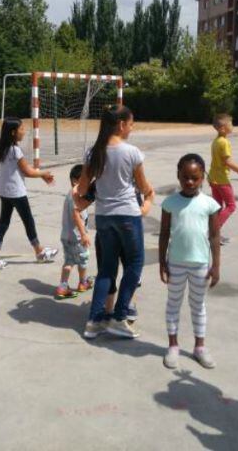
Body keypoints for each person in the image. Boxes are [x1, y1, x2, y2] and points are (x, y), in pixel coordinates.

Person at [76, 104, 154, 339]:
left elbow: (81, 188)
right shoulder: (131, 152)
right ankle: (120, 316)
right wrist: (149, 198)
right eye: (130, 124)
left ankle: (95, 320)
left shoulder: (93, 152)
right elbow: (143, 186)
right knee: (135, 263)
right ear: (121, 125)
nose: (132, 128)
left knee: (106, 270)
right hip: (128, 215)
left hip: (104, 217)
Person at [159, 154, 220, 370]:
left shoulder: (209, 204)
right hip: (175, 263)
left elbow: (214, 236)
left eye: (195, 178)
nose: (190, 182)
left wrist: (216, 266)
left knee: (198, 305)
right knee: (173, 304)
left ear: (203, 177)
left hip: (200, 265)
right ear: (178, 176)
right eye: (185, 177)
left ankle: (199, 347)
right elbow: (164, 234)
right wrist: (161, 262)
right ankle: (173, 346)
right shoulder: (169, 203)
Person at [0, 117, 58, 272]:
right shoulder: (15, 150)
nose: (24, 132)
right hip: (16, 193)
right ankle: (39, 252)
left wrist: (40, 174)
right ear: (13, 132)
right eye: (22, 129)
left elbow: (24, 170)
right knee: (28, 222)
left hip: (5, 192)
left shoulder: (4, 149)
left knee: (3, 223)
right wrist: (44, 173)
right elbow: (27, 171)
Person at [208, 113, 238, 244]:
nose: (232, 126)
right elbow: (228, 162)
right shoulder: (224, 142)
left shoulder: (216, 141)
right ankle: (213, 232)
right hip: (222, 180)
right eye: (230, 124)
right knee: (231, 206)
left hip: (213, 178)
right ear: (222, 128)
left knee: (217, 207)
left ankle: (214, 233)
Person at [56, 165, 92, 299]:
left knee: (69, 262)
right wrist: (83, 234)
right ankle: (83, 282)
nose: (87, 183)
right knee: (83, 260)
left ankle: (63, 286)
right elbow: (76, 217)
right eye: (85, 180)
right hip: (77, 237)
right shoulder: (76, 195)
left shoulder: (70, 193)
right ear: (75, 181)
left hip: (66, 236)